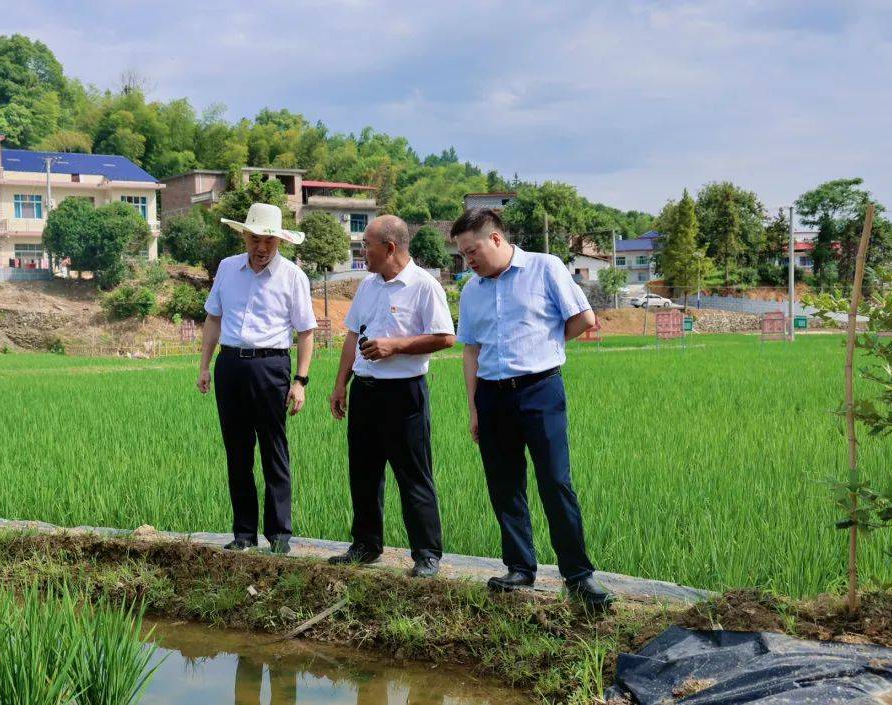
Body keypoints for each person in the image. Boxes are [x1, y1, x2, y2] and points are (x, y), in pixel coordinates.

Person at [451, 208, 613, 606]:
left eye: (471, 251)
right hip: (492, 395)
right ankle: (520, 568)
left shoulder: (545, 268)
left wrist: (547, 346)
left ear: (495, 239)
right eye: (462, 255)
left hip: (540, 389)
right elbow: (471, 351)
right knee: (504, 485)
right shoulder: (472, 289)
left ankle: (578, 574)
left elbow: (582, 318)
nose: (468, 260)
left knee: (555, 481)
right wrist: (474, 408)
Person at [328, 215, 455, 578]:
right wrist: (341, 384)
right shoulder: (367, 286)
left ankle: (427, 553)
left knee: (414, 475)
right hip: (366, 393)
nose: (361, 250)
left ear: (389, 247)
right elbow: (352, 336)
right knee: (364, 473)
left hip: (404, 396)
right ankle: (366, 545)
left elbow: (445, 337)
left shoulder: (424, 286)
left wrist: (394, 346)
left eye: (366, 244)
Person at [197, 202, 317, 555]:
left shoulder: (293, 276)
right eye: (254, 238)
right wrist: (204, 366)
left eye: (268, 240)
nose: (261, 247)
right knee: (237, 452)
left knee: (273, 450)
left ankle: (279, 535)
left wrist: (300, 381)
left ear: (279, 241)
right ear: (244, 236)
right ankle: (244, 534)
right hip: (230, 364)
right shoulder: (227, 268)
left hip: (271, 367)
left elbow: (306, 332)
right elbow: (213, 319)